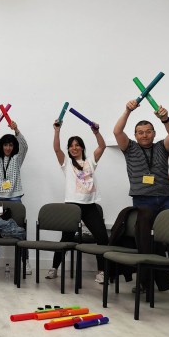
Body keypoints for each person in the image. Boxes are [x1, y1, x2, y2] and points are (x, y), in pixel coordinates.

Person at [113, 99, 169, 296]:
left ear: (154, 133)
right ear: (135, 135)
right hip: (142, 200)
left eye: (148, 132)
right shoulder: (130, 148)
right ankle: (145, 281)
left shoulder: (162, 146)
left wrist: (165, 119)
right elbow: (117, 132)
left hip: (166, 198)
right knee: (144, 241)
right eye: (140, 132)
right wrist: (127, 111)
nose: (144, 135)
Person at [47, 119, 109, 284]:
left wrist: (96, 132)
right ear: (68, 149)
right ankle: (54, 268)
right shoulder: (66, 164)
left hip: (89, 206)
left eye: (77, 145)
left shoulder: (90, 162)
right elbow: (56, 149)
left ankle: (102, 271)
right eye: (71, 146)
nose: (74, 148)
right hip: (72, 207)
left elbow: (102, 146)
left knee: (102, 238)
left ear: (82, 147)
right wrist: (57, 131)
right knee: (66, 240)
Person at [0, 118, 29, 273]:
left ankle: (25, 261)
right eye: (5, 145)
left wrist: (16, 130)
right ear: (1, 146)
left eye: (10, 145)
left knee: (20, 228)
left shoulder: (17, 159)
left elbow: (24, 146)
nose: (8, 148)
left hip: (14, 197)